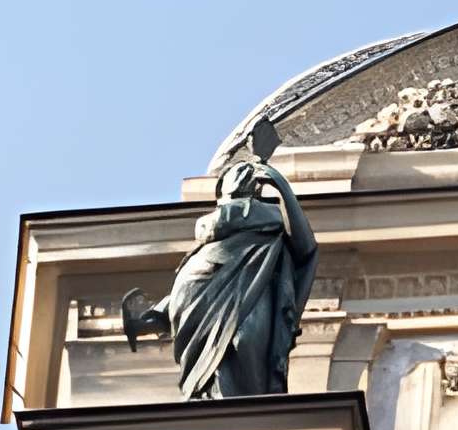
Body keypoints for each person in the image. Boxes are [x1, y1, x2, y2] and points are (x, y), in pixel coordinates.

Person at [123, 117, 317, 401]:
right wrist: (154, 317)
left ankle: (238, 418)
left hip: (244, 296)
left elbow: (306, 248)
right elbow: (184, 282)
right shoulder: (218, 227)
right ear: (222, 191)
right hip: (197, 296)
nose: (242, 175)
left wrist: (280, 184)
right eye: (235, 172)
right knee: (214, 372)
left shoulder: (270, 226)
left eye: (246, 172)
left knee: (243, 344)